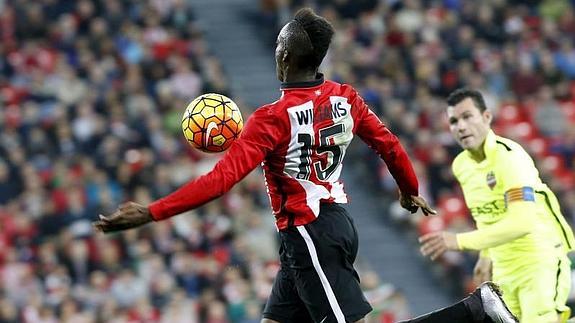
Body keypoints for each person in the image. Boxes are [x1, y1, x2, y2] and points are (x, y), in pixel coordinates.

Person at [93, 9, 517, 323]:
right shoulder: (344, 97)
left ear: (284, 57)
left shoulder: (271, 119)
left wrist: (152, 211)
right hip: (327, 228)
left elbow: (221, 180)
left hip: (310, 233)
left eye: (280, 43)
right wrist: (407, 190)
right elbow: (389, 145)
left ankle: (475, 310)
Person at [419, 88, 575, 323]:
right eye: (453, 121)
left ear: (487, 117)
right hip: (503, 270)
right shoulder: (462, 165)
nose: (460, 126)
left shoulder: (510, 158)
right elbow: (486, 214)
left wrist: (459, 240)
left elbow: (523, 222)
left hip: (539, 260)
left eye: (467, 116)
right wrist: (485, 256)